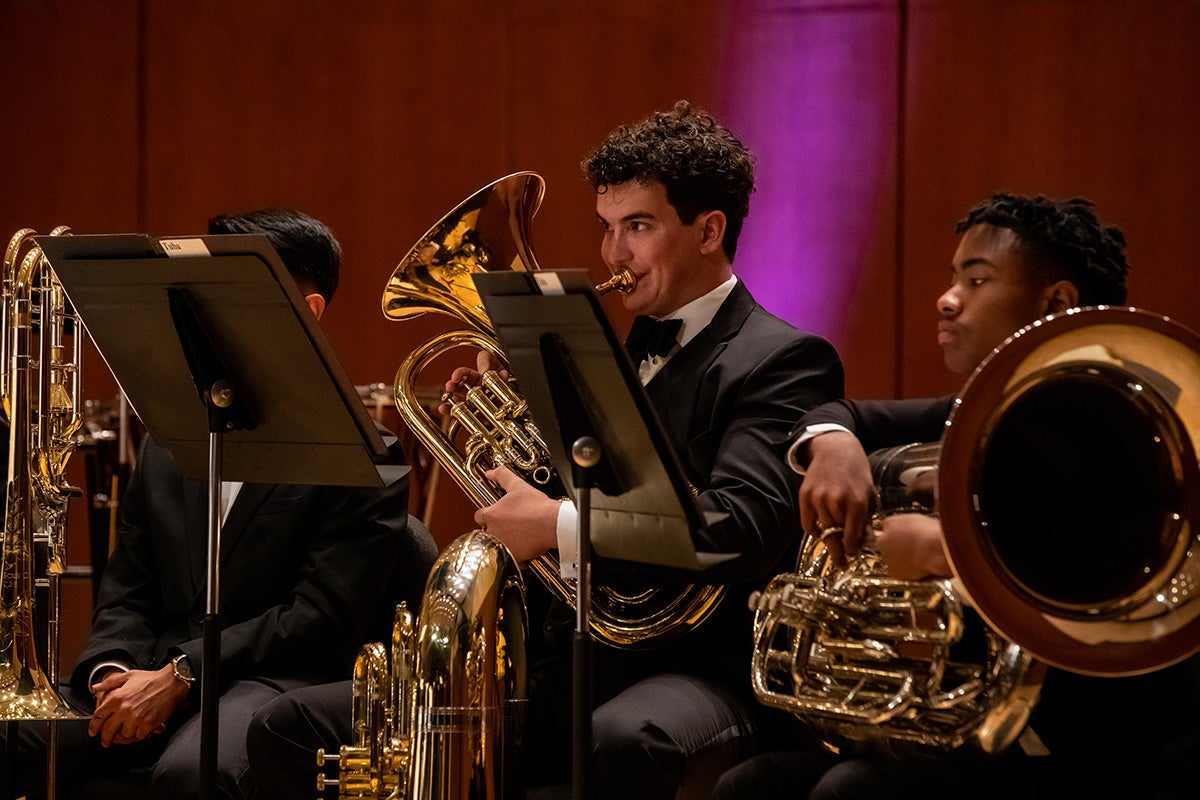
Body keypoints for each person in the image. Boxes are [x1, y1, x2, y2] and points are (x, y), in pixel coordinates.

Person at [243, 100, 845, 800]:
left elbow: (738, 530)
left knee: (620, 737)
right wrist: (513, 428)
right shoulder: (606, 353)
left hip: (697, 666)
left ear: (709, 230)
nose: (613, 254)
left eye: (638, 227)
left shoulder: (781, 360)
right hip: (569, 654)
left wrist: (558, 523)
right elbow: (574, 495)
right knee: (289, 726)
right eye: (606, 228)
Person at [713, 194, 1200, 799]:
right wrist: (832, 445)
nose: (947, 298)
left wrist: (946, 553)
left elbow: (1097, 547)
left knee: (850, 790)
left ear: (1057, 303)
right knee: (751, 785)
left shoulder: (1125, 428)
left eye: (977, 279)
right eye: (953, 278)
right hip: (987, 732)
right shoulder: (971, 414)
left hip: (1098, 735)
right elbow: (841, 414)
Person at [3, 209, 431, 800]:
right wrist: (112, 669)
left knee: (191, 774)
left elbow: (316, 620)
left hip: (273, 685)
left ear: (306, 311)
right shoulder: (167, 440)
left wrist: (182, 674)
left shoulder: (365, 454)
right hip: (153, 671)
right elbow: (127, 590)